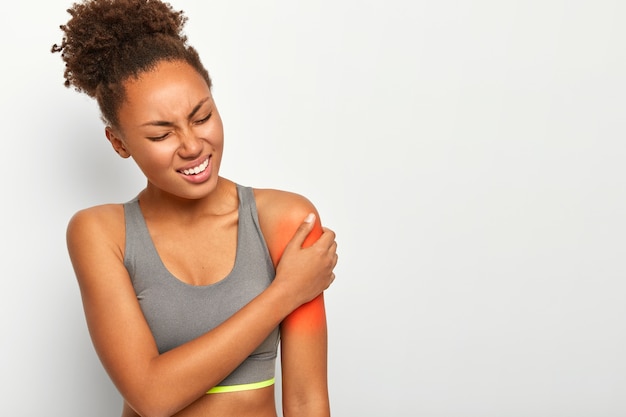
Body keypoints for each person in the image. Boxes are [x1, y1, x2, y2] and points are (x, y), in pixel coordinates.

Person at [52, 1, 338, 416]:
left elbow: (307, 401)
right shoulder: (101, 233)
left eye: (201, 117)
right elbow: (152, 396)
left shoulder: (287, 221)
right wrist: (284, 293)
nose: (191, 146)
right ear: (119, 143)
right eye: (161, 134)